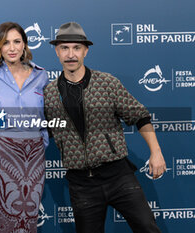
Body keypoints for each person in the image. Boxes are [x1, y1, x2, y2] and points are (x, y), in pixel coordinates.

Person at [44, 22, 167, 233]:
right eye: (65, 48)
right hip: (81, 184)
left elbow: (140, 116)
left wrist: (156, 153)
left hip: (118, 176)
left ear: (86, 51)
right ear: (57, 51)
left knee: (148, 228)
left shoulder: (107, 83)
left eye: (76, 48)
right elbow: (42, 132)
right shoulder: (49, 93)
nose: (71, 54)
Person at [0, 22, 49, 233]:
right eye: (5, 43)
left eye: (17, 41)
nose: (12, 48)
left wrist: (41, 140)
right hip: (3, 153)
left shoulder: (40, 76)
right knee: (0, 213)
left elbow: (48, 112)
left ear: (25, 45)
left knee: (28, 214)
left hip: (34, 155)